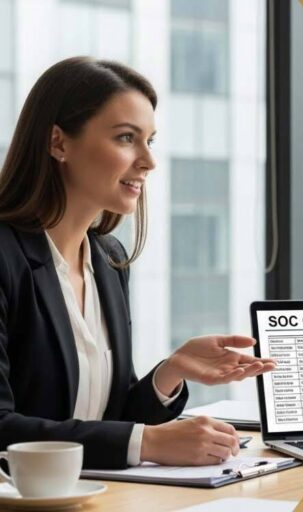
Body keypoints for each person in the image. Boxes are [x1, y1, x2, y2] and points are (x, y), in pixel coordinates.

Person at [0, 57, 276, 470]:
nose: (148, 161)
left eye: (150, 140)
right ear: (58, 143)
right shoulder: (5, 257)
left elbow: (109, 420)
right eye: (127, 138)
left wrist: (171, 371)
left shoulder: (108, 259)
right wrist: (147, 443)